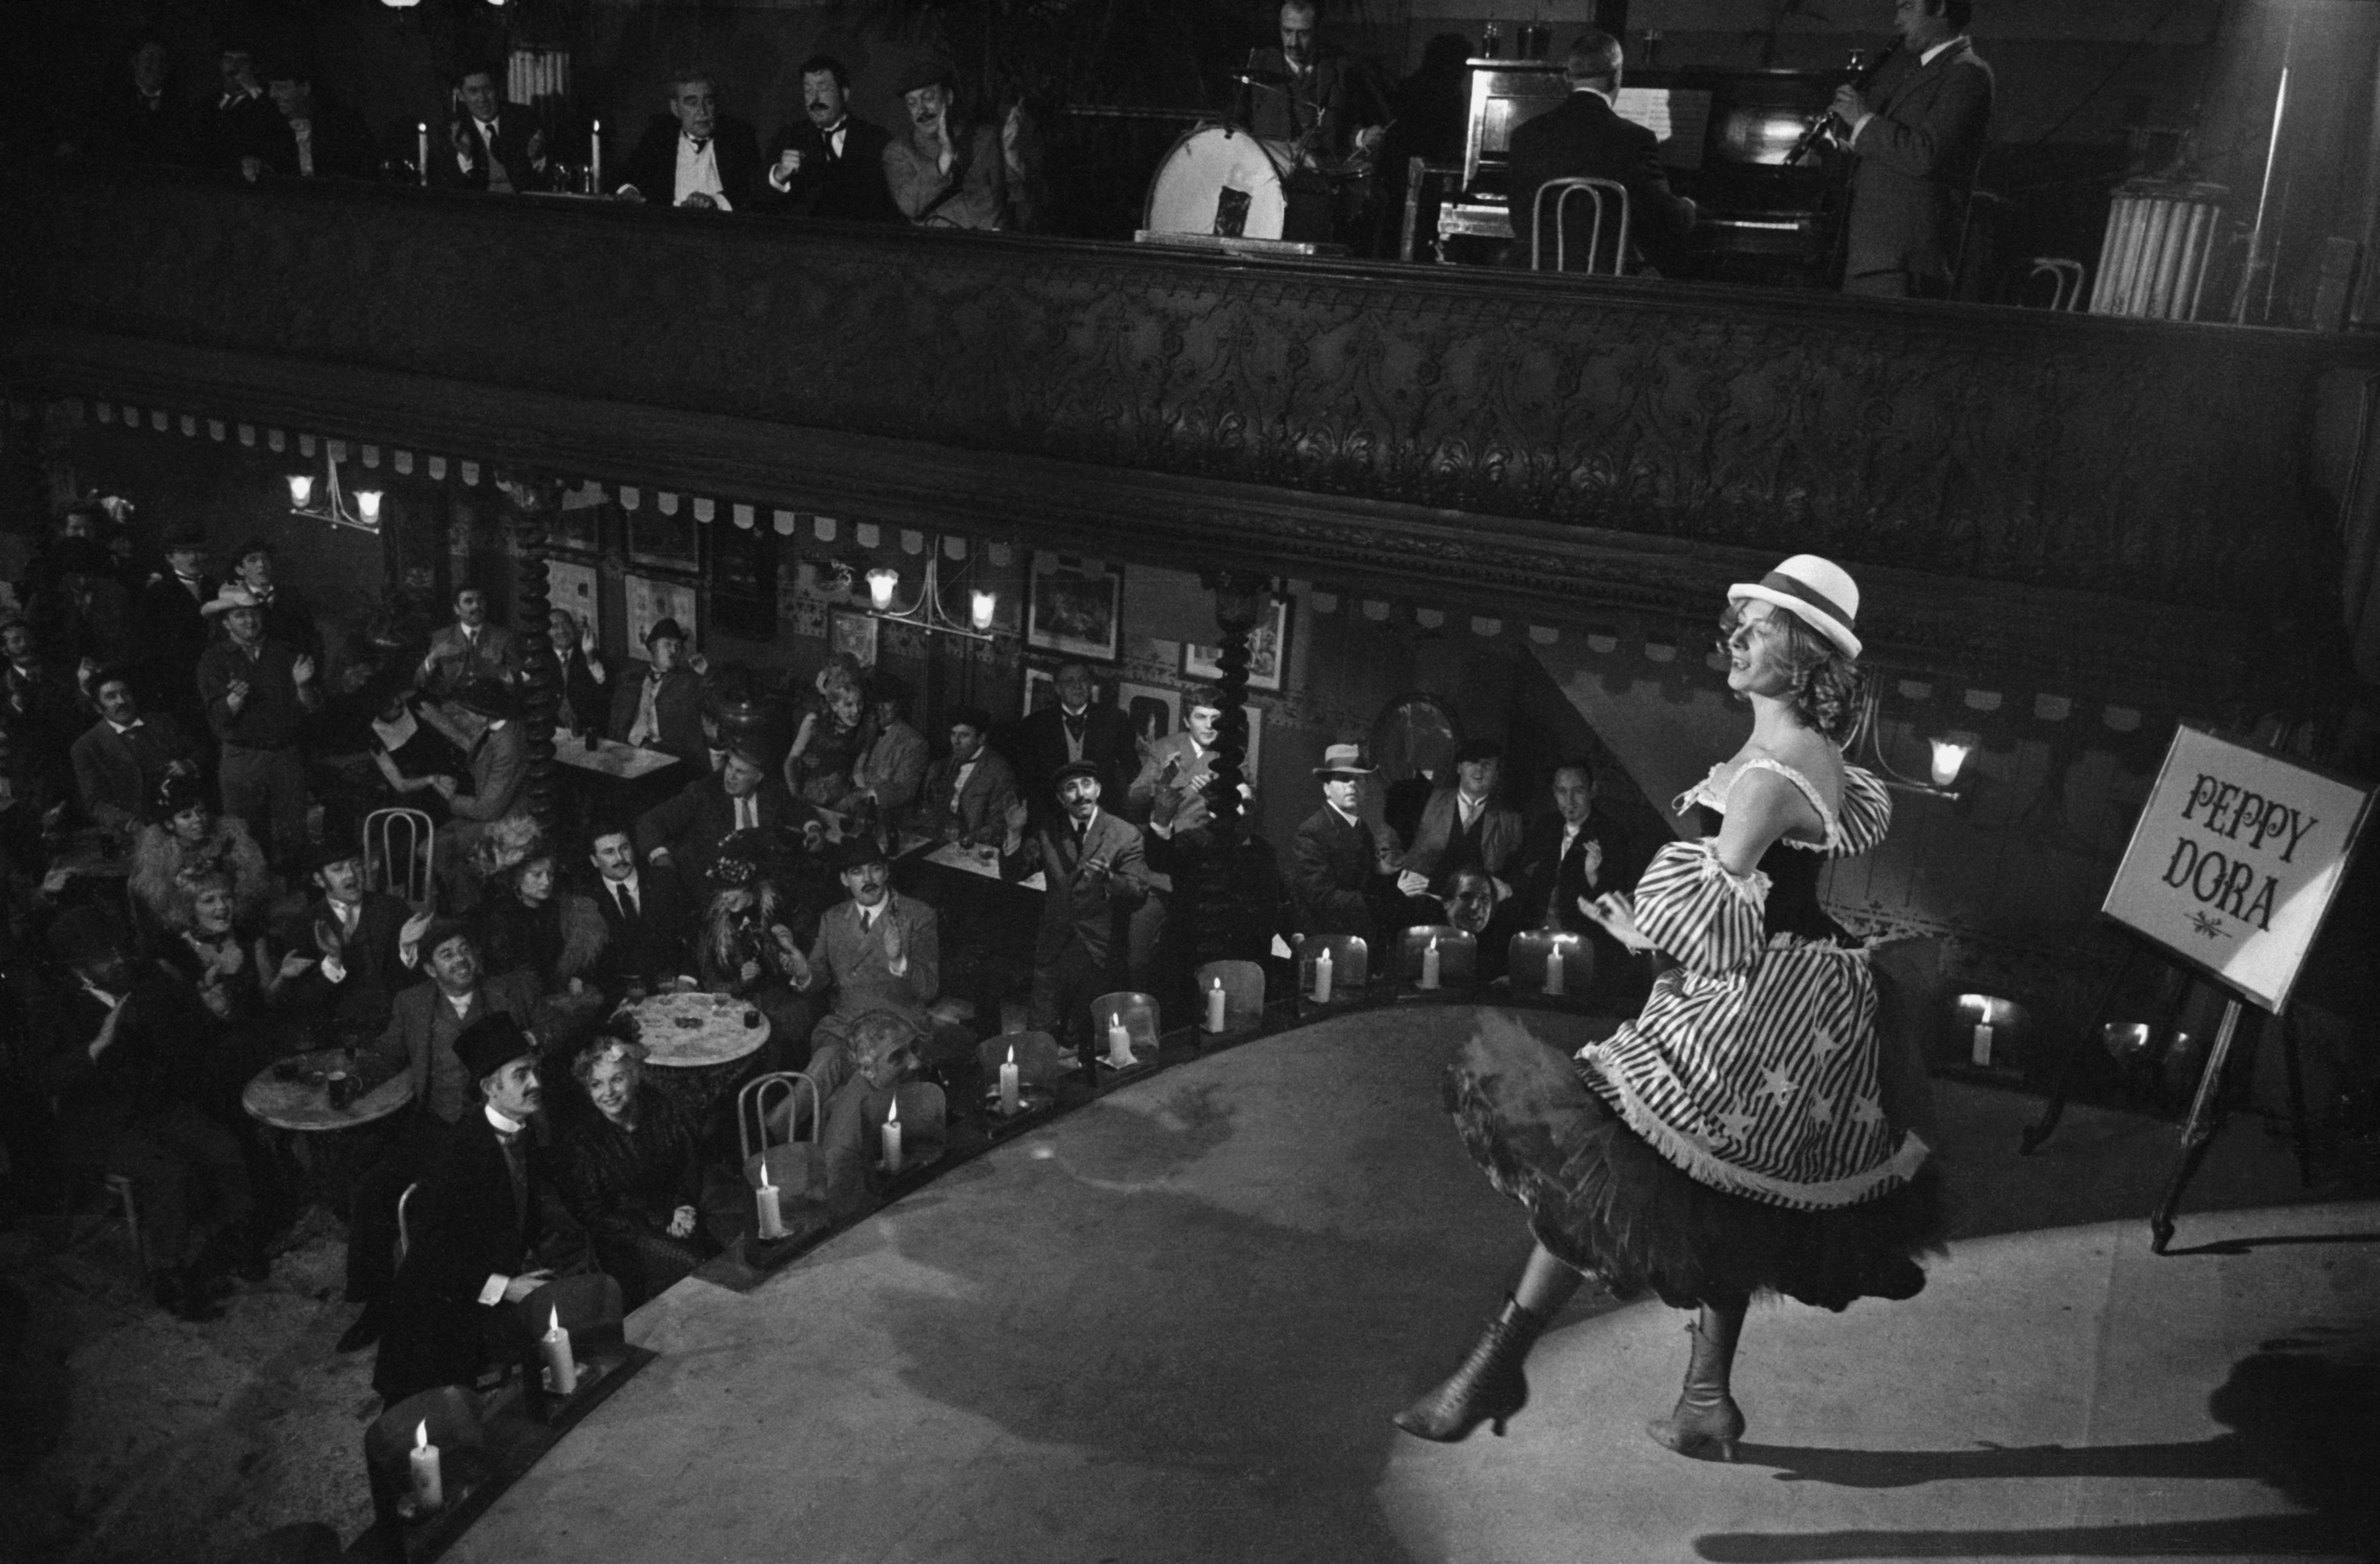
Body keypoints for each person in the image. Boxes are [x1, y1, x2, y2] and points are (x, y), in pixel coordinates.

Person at [1392, 554, 1942, 1460]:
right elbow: (1762, 897)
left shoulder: (1771, 773)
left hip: (1750, 1002)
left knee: (1609, 1176)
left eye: (1758, 631)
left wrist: (1650, 935)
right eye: (1741, 624)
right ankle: (1702, 1398)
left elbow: (1716, 912)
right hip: (1796, 990)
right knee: (1715, 1191)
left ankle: (1498, 1365)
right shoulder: (1803, 754)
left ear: (1803, 657)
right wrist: (1645, 928)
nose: (1736, 640)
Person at [42, 905, 254, 1321]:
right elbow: (45, 1079)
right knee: (167, 1171)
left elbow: (185, 1031)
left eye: (120, 949)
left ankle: (241, 1239)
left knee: (223, 1145)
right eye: (104, 956)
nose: (119, 959)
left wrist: (208, 1009)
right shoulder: (58, 1005)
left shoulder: (144, 981)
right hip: (101, 1123)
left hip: (155, 1104)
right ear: (79, 968)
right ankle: (169, 1272)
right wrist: (97, 1046)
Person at [340, 923, 542, 1351]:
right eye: (447, 954)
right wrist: (353, 1083)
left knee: (449, 1211)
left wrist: (537, 1041)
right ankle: (377, 1301)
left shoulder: (508, 993)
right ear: (430, 968)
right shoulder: (412, 1004)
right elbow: (386, 1053)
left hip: (492, 1126)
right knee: (373, 1190)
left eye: (464, 949)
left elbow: (548, 1029)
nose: (460, 959)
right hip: (435, 1125)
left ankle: (474, 1296)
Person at [372, 1015, 585, 1405]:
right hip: (439, 1307)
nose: (536, 1083)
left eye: (534, 1071)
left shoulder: (527, 1131)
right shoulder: (459, 1155)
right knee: (445, 1420)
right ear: (490, 1088)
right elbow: (435, 1259)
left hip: (493, 1277)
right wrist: (507, 1287)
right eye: (521, 1075)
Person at [1833, 0, 1993, 299]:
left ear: (1941, 8)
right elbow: (1895, 156)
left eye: (1907, 7)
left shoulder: (1967, 73)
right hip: (1876, 258)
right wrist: (1842, 146)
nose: (1896, 20)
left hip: (1904, 260)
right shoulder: (1921, 71)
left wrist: (1863, 121)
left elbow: (1926, 154)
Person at [1507, 31, 1699, 275]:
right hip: (1604, 282)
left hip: (1536, 278)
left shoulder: (1525, 134)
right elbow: (1664, 221)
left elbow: (1519, 219)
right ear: (1617, 76)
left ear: (1568, 77)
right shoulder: (1635, 139)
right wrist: (1689, 207)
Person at [550, 1034, 720, 1308]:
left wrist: (684, 1206)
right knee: (696, 1270)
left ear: (636, 1076)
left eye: (617, 1079)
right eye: (596, 1084)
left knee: (722, 1264)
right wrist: (664, 1218)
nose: (608, 1092)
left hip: (679, 1218)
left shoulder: (662, 1112)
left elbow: (688, 1169)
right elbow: (596, 1216)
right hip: (625, 1240)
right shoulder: (583, 1143)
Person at [1001, 762, 1147, 1053]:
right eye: (1071, 788)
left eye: (1087, 784)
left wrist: (1110, 880)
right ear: (1060, 798)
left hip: (1099, 952)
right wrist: (1014, 833)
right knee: (1038, 1037)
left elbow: (1138, 894)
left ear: (1099, 789)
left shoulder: (1125, 834)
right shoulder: (1049, 831)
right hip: (1054, 948)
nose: (1081, 794)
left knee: (1092, 1041)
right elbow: (1014, 873)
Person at [788, 836, 945, 1088]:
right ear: (845, 879)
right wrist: (805, 973)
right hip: (845, 1027)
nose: (868, 879)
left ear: (886, 872)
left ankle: (778, 1127)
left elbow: (929, 989)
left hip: (897, 1032)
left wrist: (899, 960)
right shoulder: (833, 918)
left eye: (875, 869)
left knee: (856, 1085)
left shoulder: (918, 916)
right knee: (826, 1060)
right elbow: (819, 975)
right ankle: (777, 1127)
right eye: (857, 872)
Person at [1515, 759, 1653, 1010]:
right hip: (1536, 938)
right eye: (1562, 791)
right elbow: (1527, 879)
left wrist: (1593, 877)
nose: (1569, 801)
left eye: (1578, 791)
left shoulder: (1612, 834)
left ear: (1593, 790)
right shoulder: (1544, 827)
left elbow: (1617, 904)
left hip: (1584, 945)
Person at [636, 741, 811, 901]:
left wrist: (813, 827)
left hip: (757, 884)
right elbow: (651, 821)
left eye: (740, 772)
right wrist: (661, 857)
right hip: (710, 888)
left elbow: (796, 808)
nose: (730, 776)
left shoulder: (771, 791)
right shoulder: (704, 793)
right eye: (730, 767)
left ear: (758, 778)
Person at [130, 772, 273, 936]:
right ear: (170, 824)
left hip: (232, 922)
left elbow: (252, 889)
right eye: (186, 816)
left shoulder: (232, 841)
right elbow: (161, 904)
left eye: (201, 812)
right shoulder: (159, 856)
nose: (198, 819)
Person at [1289, 743, 1406, 941]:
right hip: (1328, 940)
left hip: (1360, 936)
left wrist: (1389, 877)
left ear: (1365, 788)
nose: (1352, 785)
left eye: (1359, 779)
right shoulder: (1312, 832)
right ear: (1327, 788)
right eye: (1344, 779)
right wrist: (1387, 898)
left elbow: (1366, 882)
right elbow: (1323, 899)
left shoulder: (1363, 829)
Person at [762, 55, 898, 222]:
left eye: (823, 88)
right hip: (805, 242)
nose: (815, 98)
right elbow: (759, 201)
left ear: (844, 94)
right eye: (808, 90)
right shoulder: (789, 137)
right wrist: (779, 175)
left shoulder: (875, 139)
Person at [70, 666, 199, 839]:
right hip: (137, 833)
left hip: (188, 822)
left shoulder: (163, 722)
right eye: (111, 697)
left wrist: (189, 765)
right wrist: (133, 826)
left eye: (126, 694)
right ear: (98, 707)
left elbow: (201, 751)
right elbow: (96, 804)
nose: (121, 701)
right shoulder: (87, 746)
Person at [883, 62, 1009, 230]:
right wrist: (946, 156)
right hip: (937, 248)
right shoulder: (898, 151)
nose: (921, 110)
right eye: (912, 103)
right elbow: (910, 206)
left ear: (948, 97)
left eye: (928, 98)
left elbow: (1003, 199)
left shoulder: (986, 137)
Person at [614, 68, 762, 211]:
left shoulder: (739, 137)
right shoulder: (659, 136)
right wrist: (629, 191)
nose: (702, 111)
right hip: (668, 229)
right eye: (692, 103)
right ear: (676, 108)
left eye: (708, 102)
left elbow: (753, 191)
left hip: (724, 230)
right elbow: (628, 175)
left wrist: (715, 201)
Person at [1396, 738, 1524, 899]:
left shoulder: (1510, 819)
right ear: (1459, 768)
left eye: (1488, 765)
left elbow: (1516, 869)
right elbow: (1405, 852)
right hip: (1427, 899)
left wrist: (1508, 888)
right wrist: (1404, 879)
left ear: (1497, 774)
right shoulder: (1430, 802)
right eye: (1473, 762)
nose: (1480, 770)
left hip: (1477, 906)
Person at [585, 824, 697, 997]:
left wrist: (688, 979)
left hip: (673, 987)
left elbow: (694, 932)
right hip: (620, 996)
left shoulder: (664, 880)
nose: (620, 857)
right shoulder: (587, 899)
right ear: (594, 861)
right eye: (609, 852)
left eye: (624, 848)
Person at [430, 678, 529, 870]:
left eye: (469, 711)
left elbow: (488, 810)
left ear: (484, 714)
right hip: (487, 810)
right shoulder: (495, 730)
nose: (465, 715)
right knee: (435, 842)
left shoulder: (508, 744)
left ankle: (466, 899)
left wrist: (451, 798)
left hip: (508, 821)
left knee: (434, 849)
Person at [1020, 662, 1138, 810]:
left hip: (1101, 812)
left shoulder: (1115, 720)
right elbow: (1028, 779)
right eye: (1069, 681)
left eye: (1083, 680)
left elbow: (1132, 768)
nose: (1077, 686)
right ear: (1057, 688)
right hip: (1052, 813)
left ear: (1090, 685)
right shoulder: (1034, 725)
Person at [251, 61, 379, 183]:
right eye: (271, 88)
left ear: (305, 88)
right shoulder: (268, 125)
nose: (273, 95)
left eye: (281, 88)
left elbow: (364, 169)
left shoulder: (341, 124)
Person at [434, 66, 549, 194]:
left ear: (497, 89)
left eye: (487, 89)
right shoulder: (455, 131)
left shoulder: (524, 118)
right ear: (460, 95)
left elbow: (546, 180)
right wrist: (465, 157)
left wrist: (536, 158)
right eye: (473, 91)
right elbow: (451, 190)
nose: (482, 98)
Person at [610, 617, 706, 765]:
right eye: (668, 644)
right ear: (654, 647)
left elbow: (710, 707)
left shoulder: (688, 681)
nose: (674, 651)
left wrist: (704, 674)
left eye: (678, 646)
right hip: (628, 751)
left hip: (666, 759)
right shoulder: (630, 678)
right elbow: (616, 721)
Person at [920, 707, 1018, 847]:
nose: (956, 741)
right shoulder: (941, 766)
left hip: (973, 848)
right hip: (940, 841)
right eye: (953, 734)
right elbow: (929, 808)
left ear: (981, 739)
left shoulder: (1000, 771)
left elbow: (1000, 825)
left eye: (964, 735)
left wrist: (967, 839)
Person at [849, 676, 929, 836]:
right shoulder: (860, 730)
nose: (880, 709)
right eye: (876, 703)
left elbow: (904, 790)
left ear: (898, 706)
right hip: (851, 815)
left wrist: (863, 795)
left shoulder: (913, 742)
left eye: (887, 703)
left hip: (885, 823)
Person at [223, 540, 321, 664]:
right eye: (253, 560)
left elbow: (311, 639)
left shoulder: (292, 597)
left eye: (265, 559)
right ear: (240, 570)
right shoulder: (232, 600)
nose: (261, 565)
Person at [417, 586, 521, 698]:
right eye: (468, 601)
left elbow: (518, 682)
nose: (476, 606)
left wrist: (501, 671)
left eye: (480, 600)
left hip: (491, 705)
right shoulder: (442, 636)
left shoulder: (503, 636)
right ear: (457, 609)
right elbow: (419, 682)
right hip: (452, 705)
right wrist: (434, 656)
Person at [198, 43, 281, 175]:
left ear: (255, 68)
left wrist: (253, 89)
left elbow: (275, 129)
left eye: (242, 61)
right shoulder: (207, 103)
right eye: (228, 60)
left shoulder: (267, 101)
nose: (234, 67)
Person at [549, 608, 609, 738]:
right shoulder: (540, 657)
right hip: (551, 733)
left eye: (566, 624)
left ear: (574, 628)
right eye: (555, 626)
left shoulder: (589, 653)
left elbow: (604, 686)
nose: (562, 630)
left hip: (584, 733)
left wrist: (590, 657)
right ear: (547, 632)